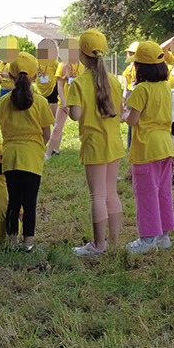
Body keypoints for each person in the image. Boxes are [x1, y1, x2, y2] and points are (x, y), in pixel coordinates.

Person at [65, 29, 125, 257]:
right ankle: (114, 241)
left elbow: (75, 115)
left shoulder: (78, 83)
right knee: (111, 192)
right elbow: (120, 112)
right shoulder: (115, 82)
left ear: (82, 54)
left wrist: (68, 107)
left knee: (97, 196)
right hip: (114, 144)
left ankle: (99, 246)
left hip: (94, 146)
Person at [122, 41, 174, 255]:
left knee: (146, 194)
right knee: (163, 192)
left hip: (146, 148)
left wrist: (124, 115)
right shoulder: (165, 87)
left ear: (141, 67)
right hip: (165, 146)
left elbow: (133, 120)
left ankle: (147, 239)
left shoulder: (141, 89)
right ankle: (163, 236)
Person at [0, 51, 54, 250]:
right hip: (32, 157)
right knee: (30, 202)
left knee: (13, 200)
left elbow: (3, 125)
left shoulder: (4, 101)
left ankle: (12, 239)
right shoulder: (41, 102)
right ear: (35, 76)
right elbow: (47, 133)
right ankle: (28, 243)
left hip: (11, 156)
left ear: (10, 75)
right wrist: (39, 146)